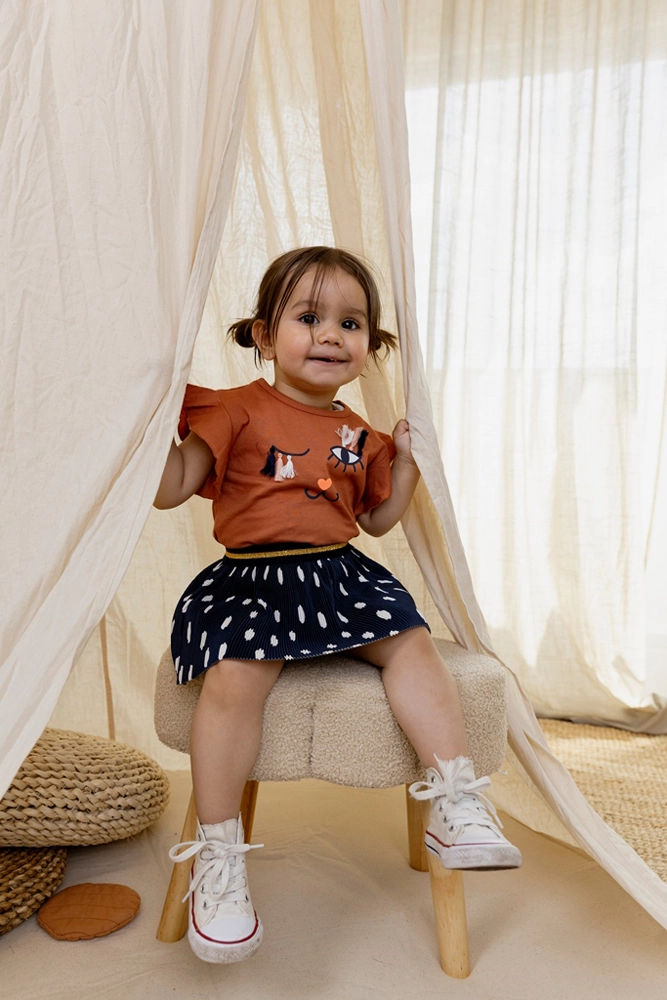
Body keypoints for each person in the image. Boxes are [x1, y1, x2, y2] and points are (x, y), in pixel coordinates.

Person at [154, 246, 521, 965]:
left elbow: (376, 521)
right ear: (265, 337)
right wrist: (143, 425)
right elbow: (171, 488)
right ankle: (219, 856)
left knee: (410, 640)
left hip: (336, 575)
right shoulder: (232, 410)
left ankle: (453, 798)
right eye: (309, 318)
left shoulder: (357, 432)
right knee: (234, 677)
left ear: (368, 347)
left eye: (351, 324)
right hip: (252, 580)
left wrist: (406, 464)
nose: (330, 335)